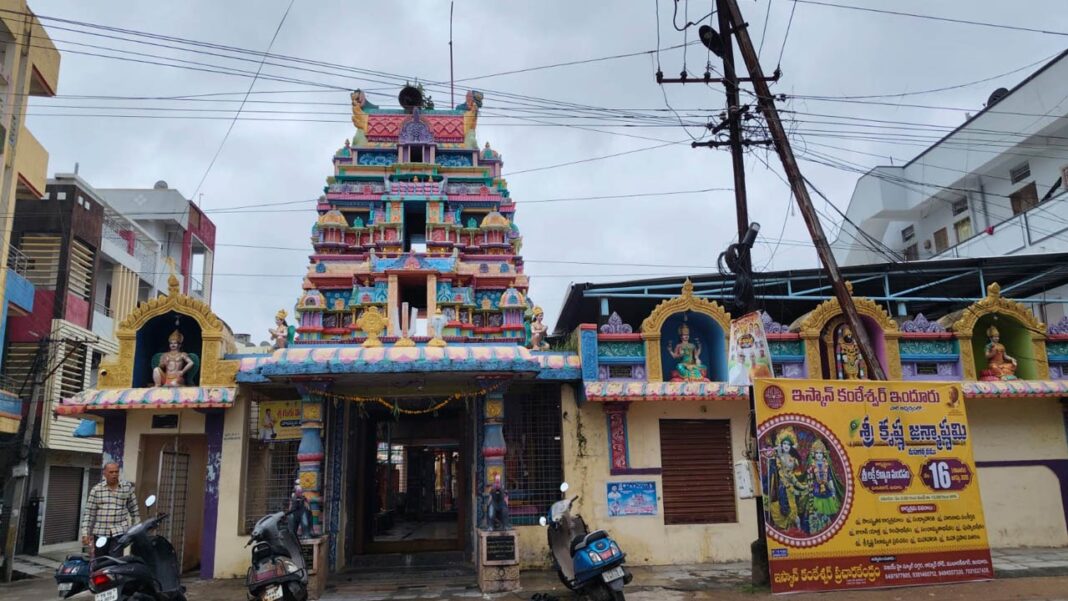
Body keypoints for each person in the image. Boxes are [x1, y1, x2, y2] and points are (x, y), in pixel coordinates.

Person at [80, 462, 139, 558]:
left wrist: (135, 530)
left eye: (116, 472)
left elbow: (134, 511)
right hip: (100, 532)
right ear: (105, 473)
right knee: (100, 561)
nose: (114, 474)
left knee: (114, 560)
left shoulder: (126, 488)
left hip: (119, 532)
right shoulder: (97, 490)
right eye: (111, 472)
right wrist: (85, 533)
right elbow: (89, 513)